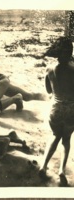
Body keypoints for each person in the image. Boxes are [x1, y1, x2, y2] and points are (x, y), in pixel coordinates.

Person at [39, 36, 74, 186]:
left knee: (54, 136)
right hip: (71, 109)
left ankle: (44, 165)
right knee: (66, 140)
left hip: (55, 108)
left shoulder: (49, 69)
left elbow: (48, 90)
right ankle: (61, 170)